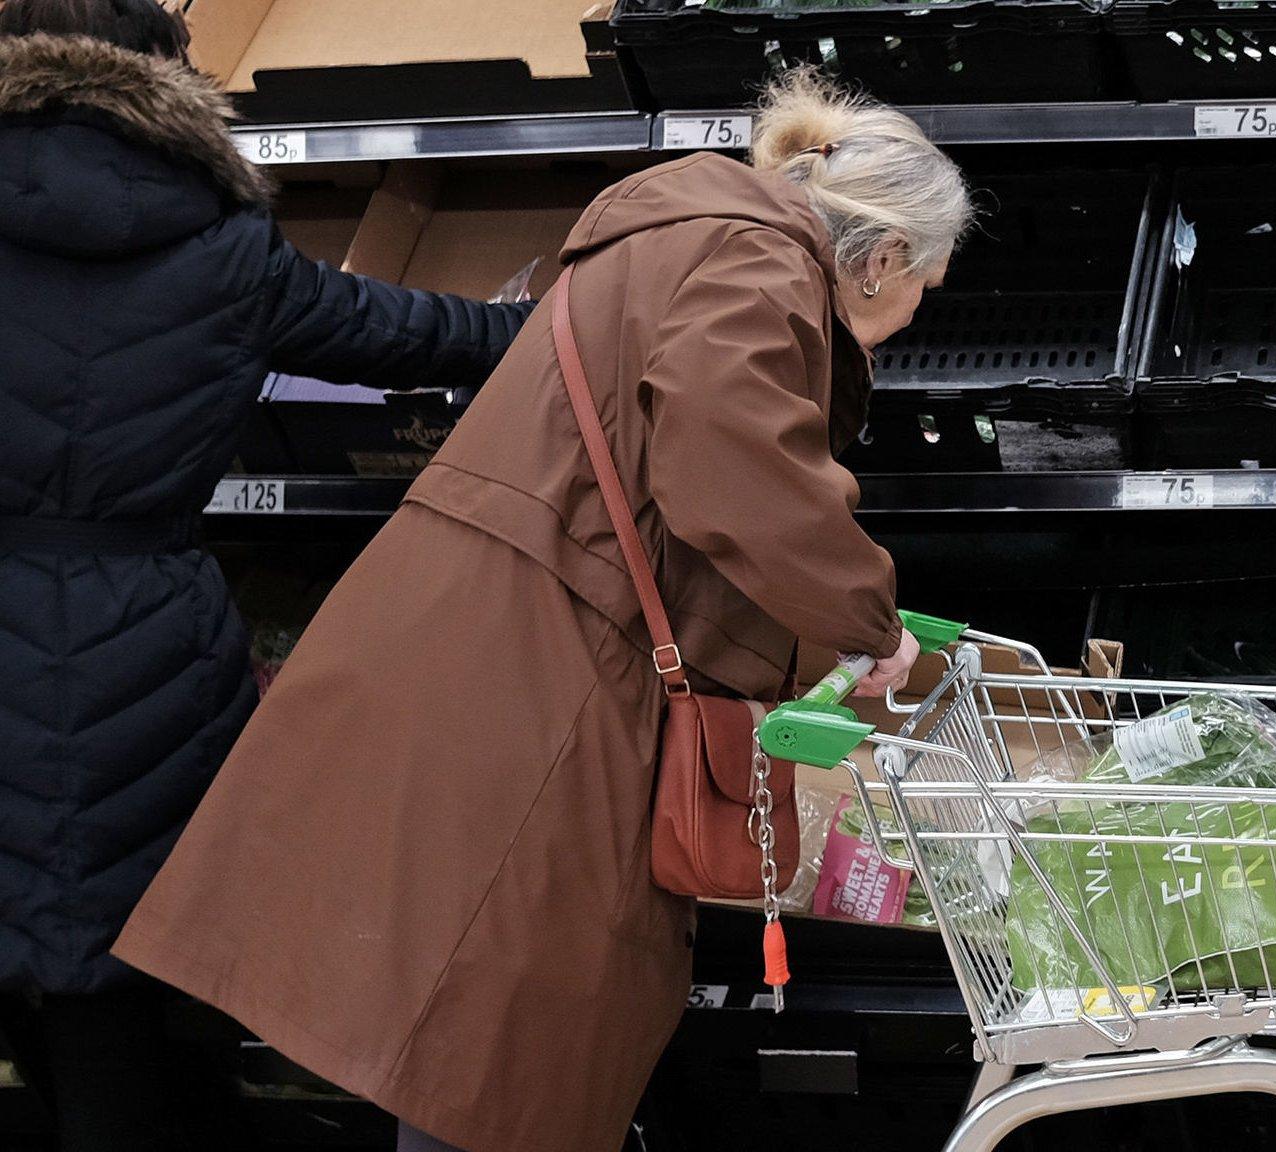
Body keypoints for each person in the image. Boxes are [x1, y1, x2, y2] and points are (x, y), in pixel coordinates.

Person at [113, 68, 972, 1152]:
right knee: (490, 1047)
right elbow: (729, 465)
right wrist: (867, 618)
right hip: (542, 682)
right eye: (924, 289)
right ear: (885, 256)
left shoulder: (667, 235)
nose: (906, 322)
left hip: (463, 639)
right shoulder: (757, 258)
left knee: (444, 1029)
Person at [0, 2, 534, 1148]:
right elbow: (419, 335)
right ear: (167, 87)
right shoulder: (227, 255)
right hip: (143, 659)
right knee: (130, 981)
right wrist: (591, 317)